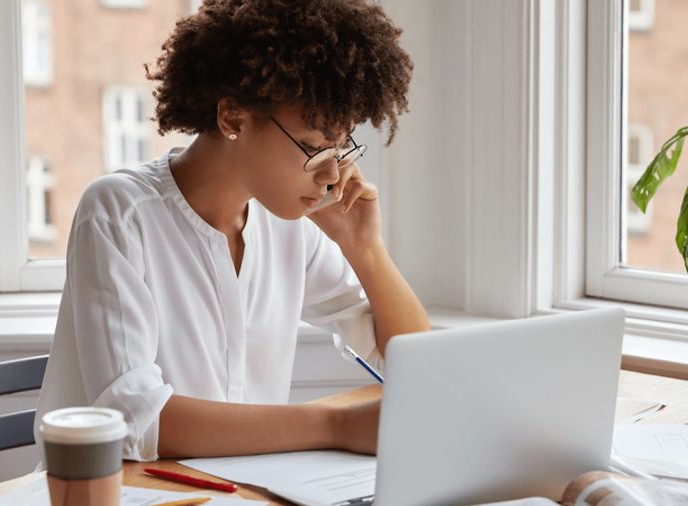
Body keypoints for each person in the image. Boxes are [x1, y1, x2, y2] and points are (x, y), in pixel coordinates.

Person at [34, 0, 428, 462]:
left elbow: (415, 365)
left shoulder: (287, 227)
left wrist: (366, 250)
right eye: (313, 148)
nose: (330, 175)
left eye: (340, 149)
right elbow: (132, 420)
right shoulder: (119, 214)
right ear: (233, 118)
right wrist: (333, 424)